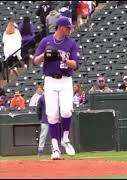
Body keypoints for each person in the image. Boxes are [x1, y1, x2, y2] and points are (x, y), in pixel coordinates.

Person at [33, 16, 80, 160]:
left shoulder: (71, 43)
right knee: (52, 115)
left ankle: (65, 139)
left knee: (66, 111)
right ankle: (55, 148)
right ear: (60, 27)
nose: (70, 29)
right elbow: (35, 61)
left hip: (65, 80)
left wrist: (63, 58)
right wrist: (44, 55)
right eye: (68, 27)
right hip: (50, 80)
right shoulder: (46, 41)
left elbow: (76, 65)